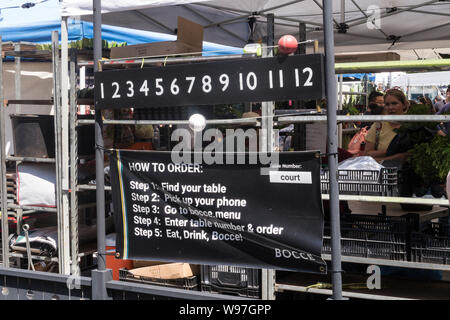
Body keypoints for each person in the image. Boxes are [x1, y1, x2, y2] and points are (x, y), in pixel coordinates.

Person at [360, 89, 410, 162]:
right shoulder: (378, 126)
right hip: (381, 171)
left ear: (404, 105)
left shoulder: (413, 126)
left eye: (394, 103)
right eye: (387, 104)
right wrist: (392, 153)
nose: (390, 107)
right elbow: (367, 154)